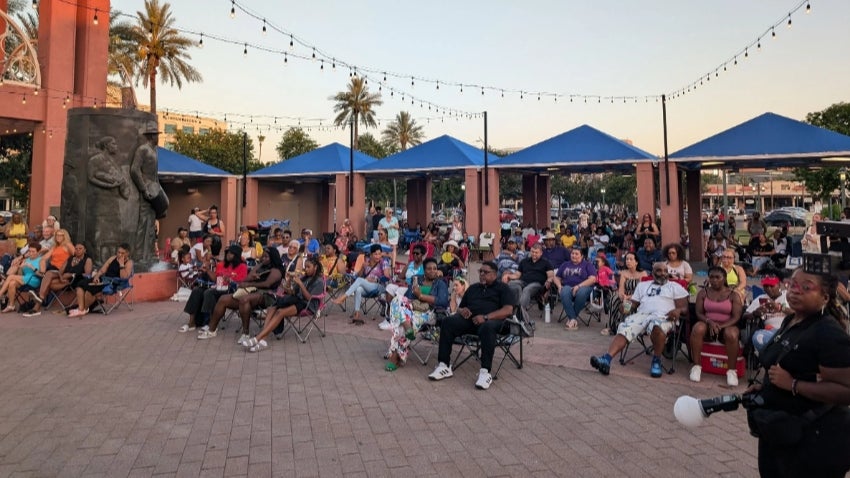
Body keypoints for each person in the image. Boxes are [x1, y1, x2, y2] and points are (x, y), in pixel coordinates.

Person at [744, 267, 850, 477]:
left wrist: (793, 384)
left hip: (814, 440)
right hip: (781, 432)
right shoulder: (791, 320)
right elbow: (788, 365)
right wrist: (766, 387)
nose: (795, 291)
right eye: (792, 284)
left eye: (806, 287)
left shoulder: (828, 333)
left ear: (825, 297)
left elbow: (846, 391)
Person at [427, 260, 516, 390]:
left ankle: (485, 372)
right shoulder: (474, 288)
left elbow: (508, 310)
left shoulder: (503, 288)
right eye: (480, 272)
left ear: (495, 274)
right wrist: (462, 311)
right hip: (471, 320)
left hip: (494, 322)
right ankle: (444, 365)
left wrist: (486, 317)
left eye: (486, 272)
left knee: (487, 327)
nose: (482, 274)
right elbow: (460, 308)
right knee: (448, 322)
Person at [590, 262, 689, 378]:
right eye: (659, 271)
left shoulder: (674, 287)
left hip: (664, 316)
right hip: (642, 315)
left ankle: (656, 361)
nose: (663, 273)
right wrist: (625, 307)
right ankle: (606, 359)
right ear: (652, 273)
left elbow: (684, 308)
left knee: (657, 327)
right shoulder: (643, 285)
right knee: (626, 328)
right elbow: (633, 304)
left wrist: (678, 311)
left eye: (665, 271)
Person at [198, 247, 284, 343]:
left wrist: (250, 283)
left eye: (266, 257)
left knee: (244, 300)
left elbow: (267, 284)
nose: (263, 258)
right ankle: (211, 330)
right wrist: (251, 277)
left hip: (268, 295)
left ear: (273, 258)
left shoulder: (276, 270)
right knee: (223, 299)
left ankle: (245, 334)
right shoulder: (259, 266)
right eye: (263, 256)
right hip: (252, 292)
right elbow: (245, 279)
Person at [242, 257, 324, 352]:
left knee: (280, 312)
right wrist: (288, 282)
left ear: (316, 267)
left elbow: (310, 298)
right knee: (272, 308)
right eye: (305, 267)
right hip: (296, 300)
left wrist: (301, 284)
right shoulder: (304, 278)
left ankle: (258, 338)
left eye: (308, 267)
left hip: (307, 305)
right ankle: (263, 340)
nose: (306, 269)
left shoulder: (319, 281)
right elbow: (291, 293)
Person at [384, 257, 449, 371]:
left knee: (400, 323)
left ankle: (395, 356)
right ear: (424, 270)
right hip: (411, 309)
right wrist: (413, 295)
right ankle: (406, 328)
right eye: (429, 269)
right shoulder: (417, 280)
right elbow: (408, 298)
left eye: (435, 268)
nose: (432, 271)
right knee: (396, 300)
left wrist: (421, 296)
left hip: (429, 312)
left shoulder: (441, 283)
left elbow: (442, 302)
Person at [689, 266, 745, 386]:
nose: (714, 280)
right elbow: (698, 312)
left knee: (732, 333)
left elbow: (736, 317)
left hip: (726, 326)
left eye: (717, 277)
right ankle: (697, 367)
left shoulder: (733, 295)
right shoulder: (703, 293)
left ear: (724, 278)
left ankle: (731, 371)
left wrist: (721, 326)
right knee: (697, 328)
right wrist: (710, 322)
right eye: (711, 277)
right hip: (708, 325)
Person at [178, 245, 248, 332]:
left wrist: (230, 280)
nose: (227, 255)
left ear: (236, 255)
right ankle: (191, 323)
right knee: (197, 290)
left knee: (209, 292)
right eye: (227, 253)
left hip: (230, 290)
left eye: (230, 253)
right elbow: (215, 279)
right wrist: (207, 270)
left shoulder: (242, 267)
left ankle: (210, 323)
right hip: (217, 287)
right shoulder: (222, 264)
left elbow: (242, 283)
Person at [130, 123, 168, 265]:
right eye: (157, 135)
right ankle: (138, 255)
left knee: (151, 223)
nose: (158, 138)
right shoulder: (143, 149)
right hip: (146, 190)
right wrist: (144, 189)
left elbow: (155, 174)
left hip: (154, 188)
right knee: (143, 223)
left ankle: (149, 252)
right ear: (152, 136)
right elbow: (134, 170)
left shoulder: (154, 150)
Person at [68, 243, 134, 318]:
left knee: (91, 290)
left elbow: (124, 277)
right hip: (104, 279)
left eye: (122, 253)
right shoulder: (113, 258)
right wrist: (96, 276)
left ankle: (83, 309)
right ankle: (81, 308)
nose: (119, 254)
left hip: (114, 283)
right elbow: (102, 270)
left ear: (127, 253)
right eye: (118, 252)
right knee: (81, 284)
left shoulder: (129, 263)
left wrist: (121, 265)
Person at [332, 244, 391, 325]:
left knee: (360, 281)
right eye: (375, 254)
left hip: (379, 287)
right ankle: (357, 314)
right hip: (367, 287)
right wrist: (363, 268)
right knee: (358, 288)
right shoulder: (367, 262)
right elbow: (357, 276)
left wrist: (376, 279)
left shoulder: (383, 262)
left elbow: (387, 277)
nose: (378, 256)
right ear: (371, 254)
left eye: (379, 254)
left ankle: (343, 298)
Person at [505, 243, 554, 320]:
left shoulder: (546, 263)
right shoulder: (524, 262)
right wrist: (508, 276)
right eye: (532, 252)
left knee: (527, 289)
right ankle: (510, 309)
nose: (534, 254)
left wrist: (549, 281)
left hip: (538, 285)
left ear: (541, 253)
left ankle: (519, 313)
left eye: (536, 252)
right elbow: (517, 275)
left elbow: (551, 276)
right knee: (512, 284)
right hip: (523, 282)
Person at [743, 276, 790, 354]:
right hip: (768, 332)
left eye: (771, 286)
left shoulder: (787, 296)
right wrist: (755, 313)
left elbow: (795, 313)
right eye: (766, 286)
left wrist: (779, 307)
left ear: (779, 285)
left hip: (786, 330)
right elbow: (745, 315)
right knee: (758, 337)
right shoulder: (760, 298)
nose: (768, 288)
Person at [554, 248, 597, 330]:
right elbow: (556, 277)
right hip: (568, 287)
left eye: (576, 254)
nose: (574, 255)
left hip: (585, 288)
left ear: (582, 256)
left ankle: (571, 318)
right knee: (564, 290)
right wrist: (559, 286)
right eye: (572, 253)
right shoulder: (565, 264)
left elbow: (592, 279)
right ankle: (573, 319)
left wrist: (578, 286)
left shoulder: (588, 265)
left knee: (581, 292)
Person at [0, 243, 42, 312]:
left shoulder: (41, 260)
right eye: (29, 251)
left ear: (38, 252)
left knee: (10, 277)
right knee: (12, 283)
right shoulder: (26, 260)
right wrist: (20, 268)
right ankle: (11, 305)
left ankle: (1, 293)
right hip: (25, 279)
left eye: (33, 251)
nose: (31, 253)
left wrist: (31, 267)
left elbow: (42, 274)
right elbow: (21, 274)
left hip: (33, 280)